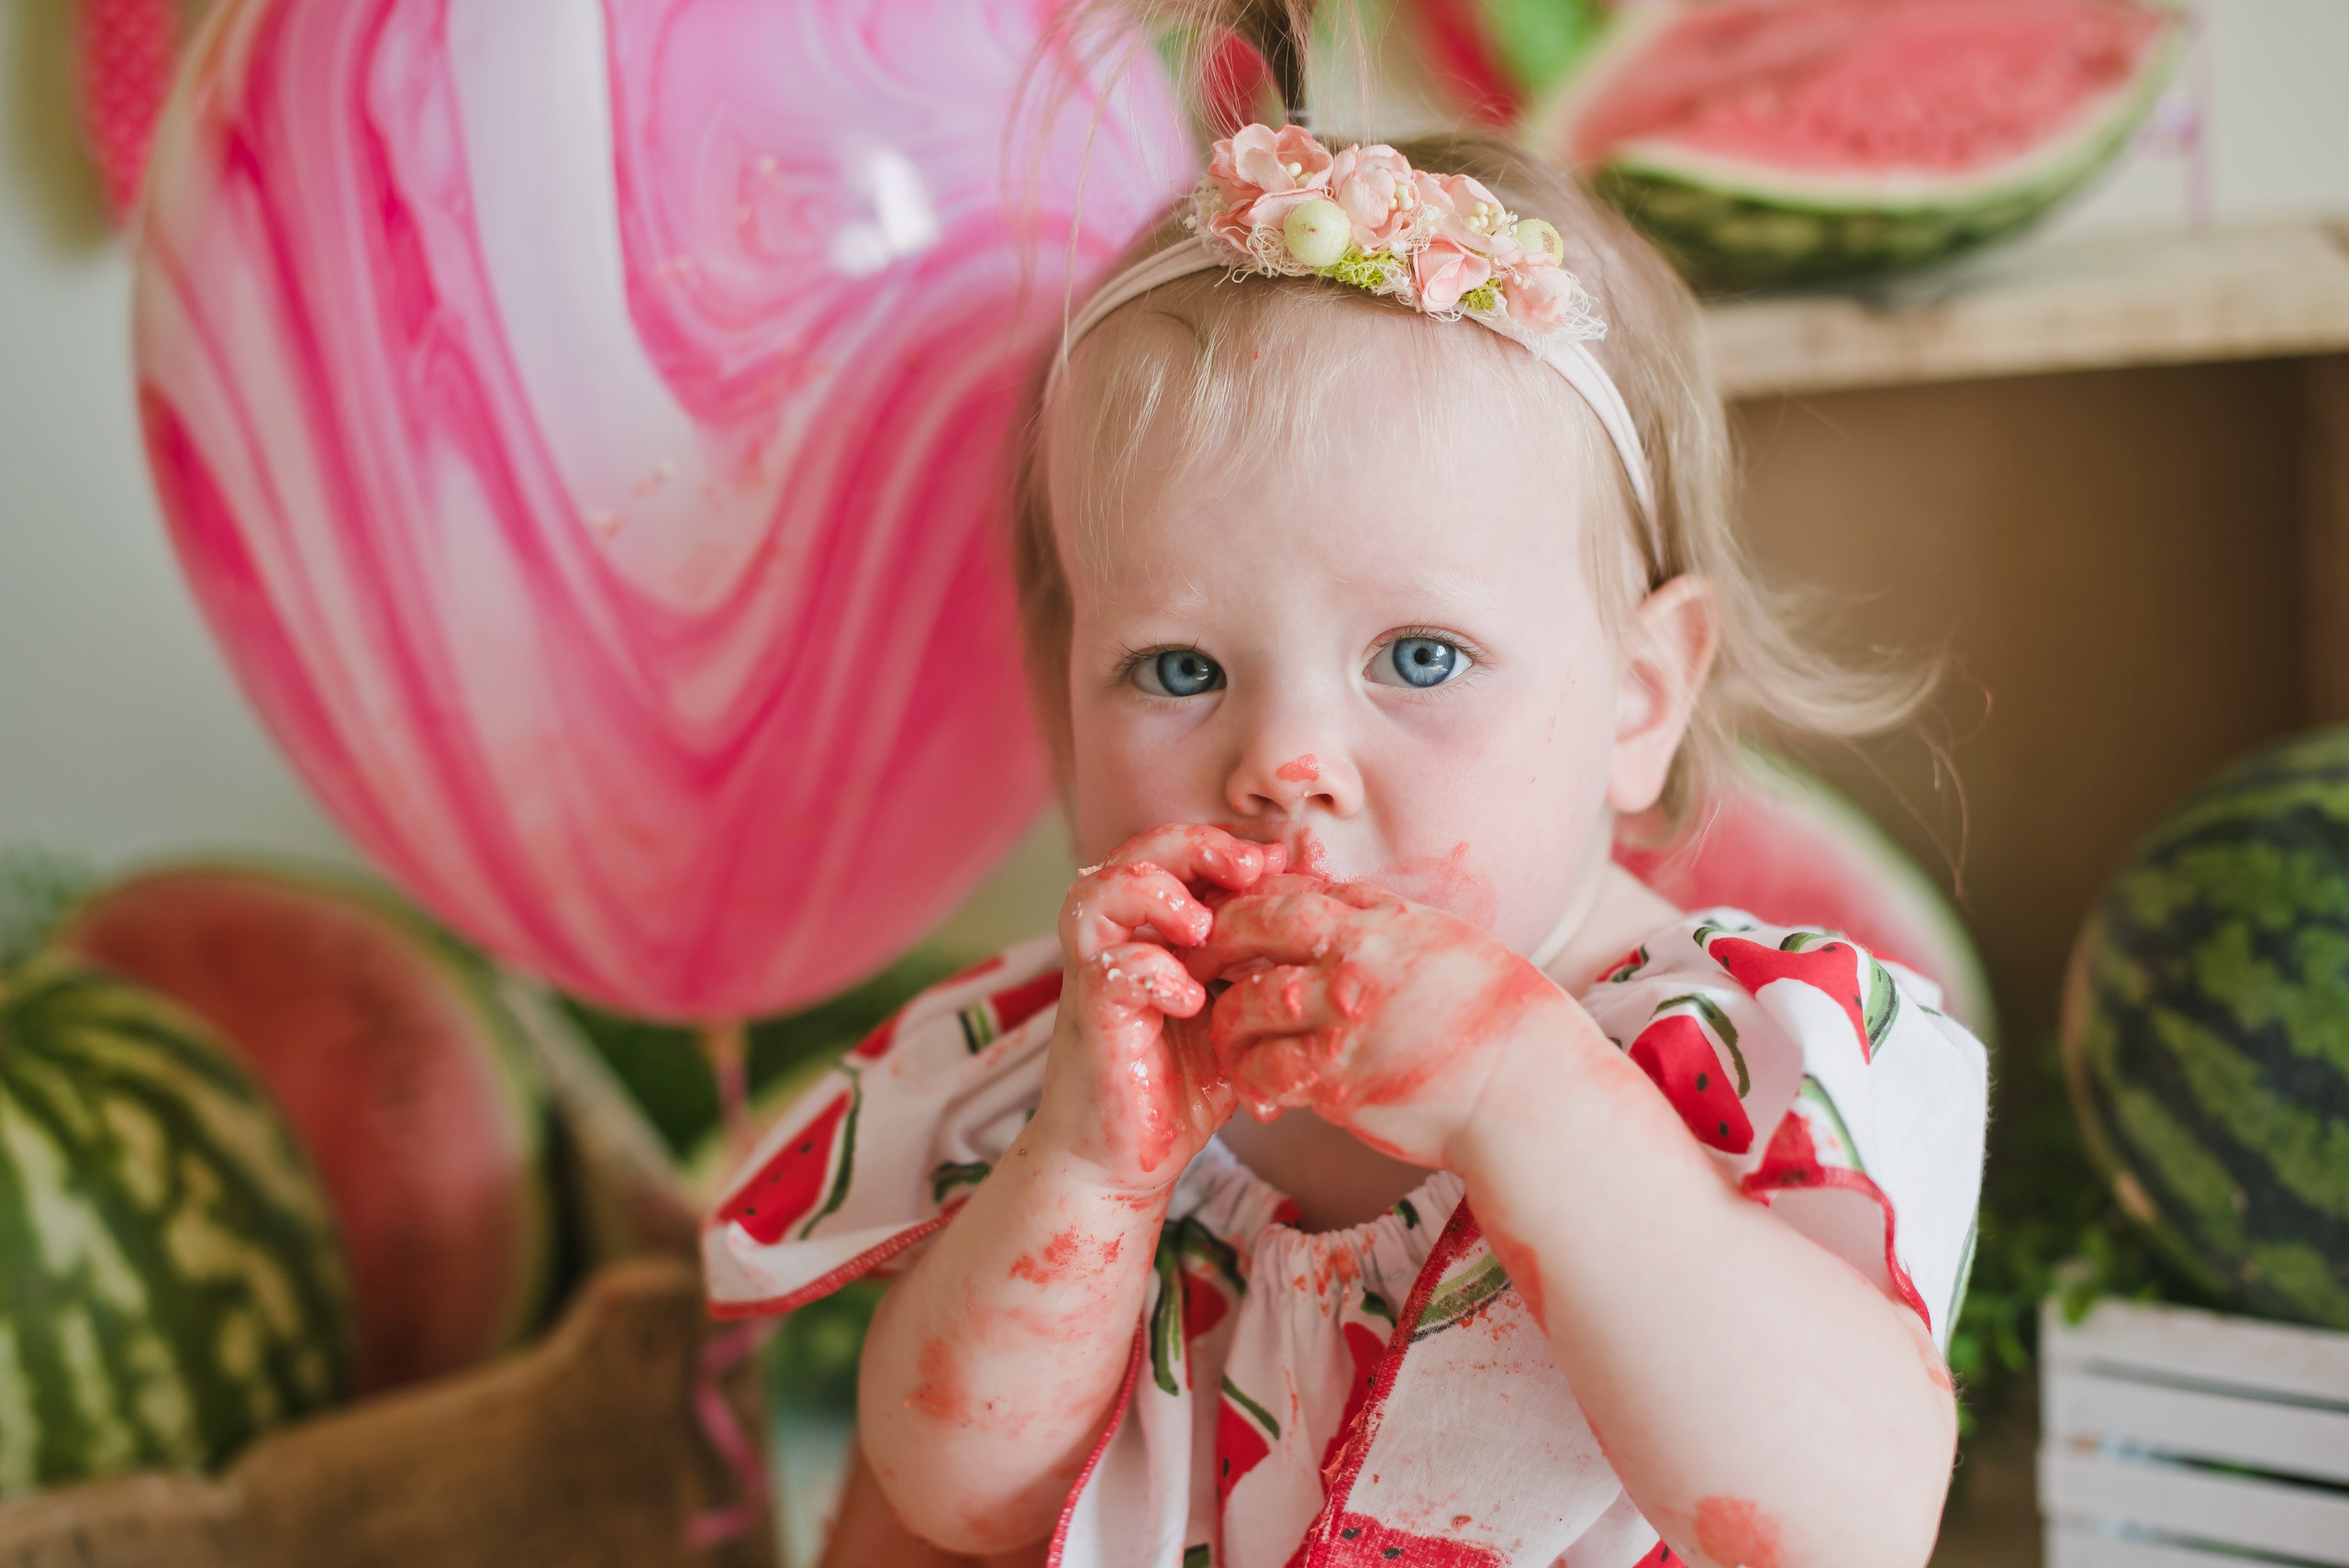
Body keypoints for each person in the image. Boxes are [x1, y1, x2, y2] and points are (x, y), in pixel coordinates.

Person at [705, 13, 1987, 1565]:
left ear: (1642, 698)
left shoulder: (1726, 1071)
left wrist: (1522, 1097)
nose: (1282, 763)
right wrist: (1088, 1176)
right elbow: (947, 1500)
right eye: (1179, 669)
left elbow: (1853, 1519)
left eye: (1423, 658)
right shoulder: (1069, 1074)